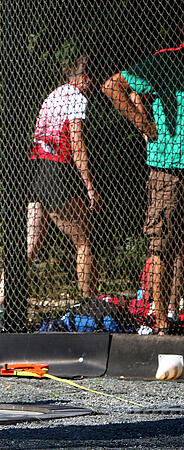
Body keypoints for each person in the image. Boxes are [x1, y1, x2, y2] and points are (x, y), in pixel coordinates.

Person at [0, 55, 100, 324]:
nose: (94, 88)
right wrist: (89, 185)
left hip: (36, 170)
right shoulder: (77, 97)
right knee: (84, 241)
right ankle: (91, 307)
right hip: (57, 172)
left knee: (29, 245)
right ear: (85, 78)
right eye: (93, 81)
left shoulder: (53, 95)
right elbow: (76, 141)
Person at [102, 41, 184, 334]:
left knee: (178, 247)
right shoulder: (167, 61)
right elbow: (112, 86)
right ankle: (161, 320)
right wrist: (144, 124)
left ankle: (174, 311)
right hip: (167, 167)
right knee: (161, 244)